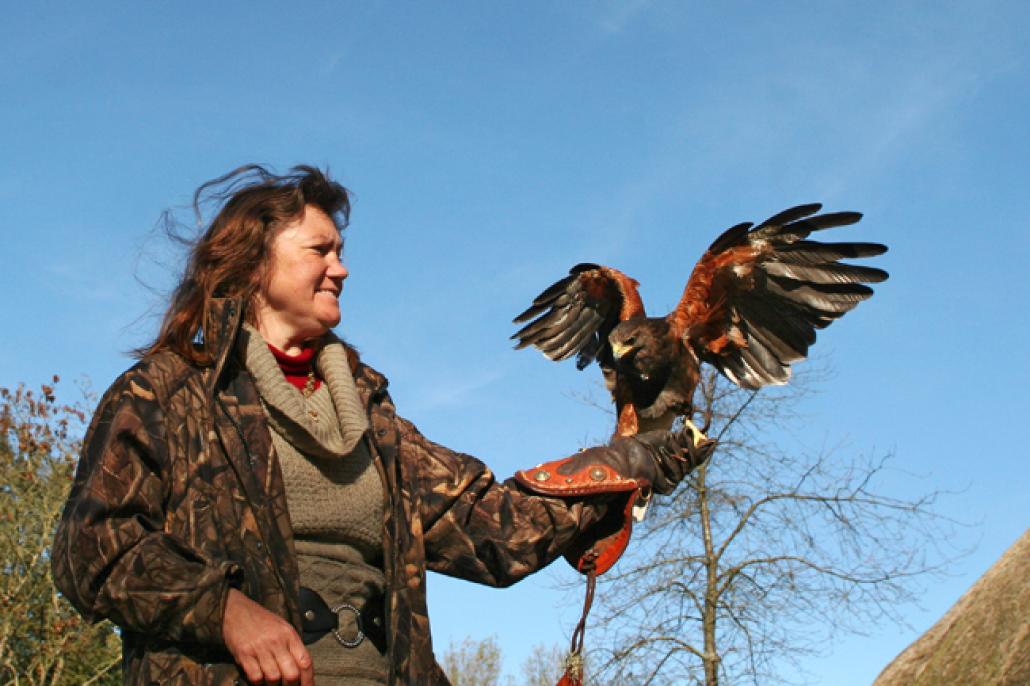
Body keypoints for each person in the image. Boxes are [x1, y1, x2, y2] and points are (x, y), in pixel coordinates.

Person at [52, 165, 710, 686]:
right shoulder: (168, 393)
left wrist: (624, 463)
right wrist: (222, 610)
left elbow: (496, 529)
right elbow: (92, 550)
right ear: (253, 263)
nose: (340, 267)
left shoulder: (373, 418)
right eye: (319, 249)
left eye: (340, 251)